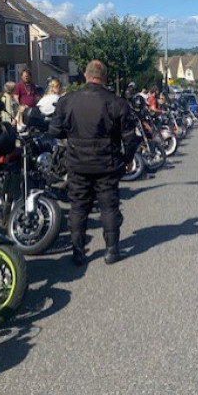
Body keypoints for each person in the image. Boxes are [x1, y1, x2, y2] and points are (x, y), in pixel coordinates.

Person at [48, 60, 140, 266]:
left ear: (85, 75)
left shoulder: (67, 101)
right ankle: (112, 251)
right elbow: (130, 138)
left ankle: (78, 253)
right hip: (107, 164)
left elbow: (54, 131)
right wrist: (127, 159)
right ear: (104, 78)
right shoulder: (116, 103)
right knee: (109, 207)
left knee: (78, 207)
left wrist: (71, 134)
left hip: (77, 163)